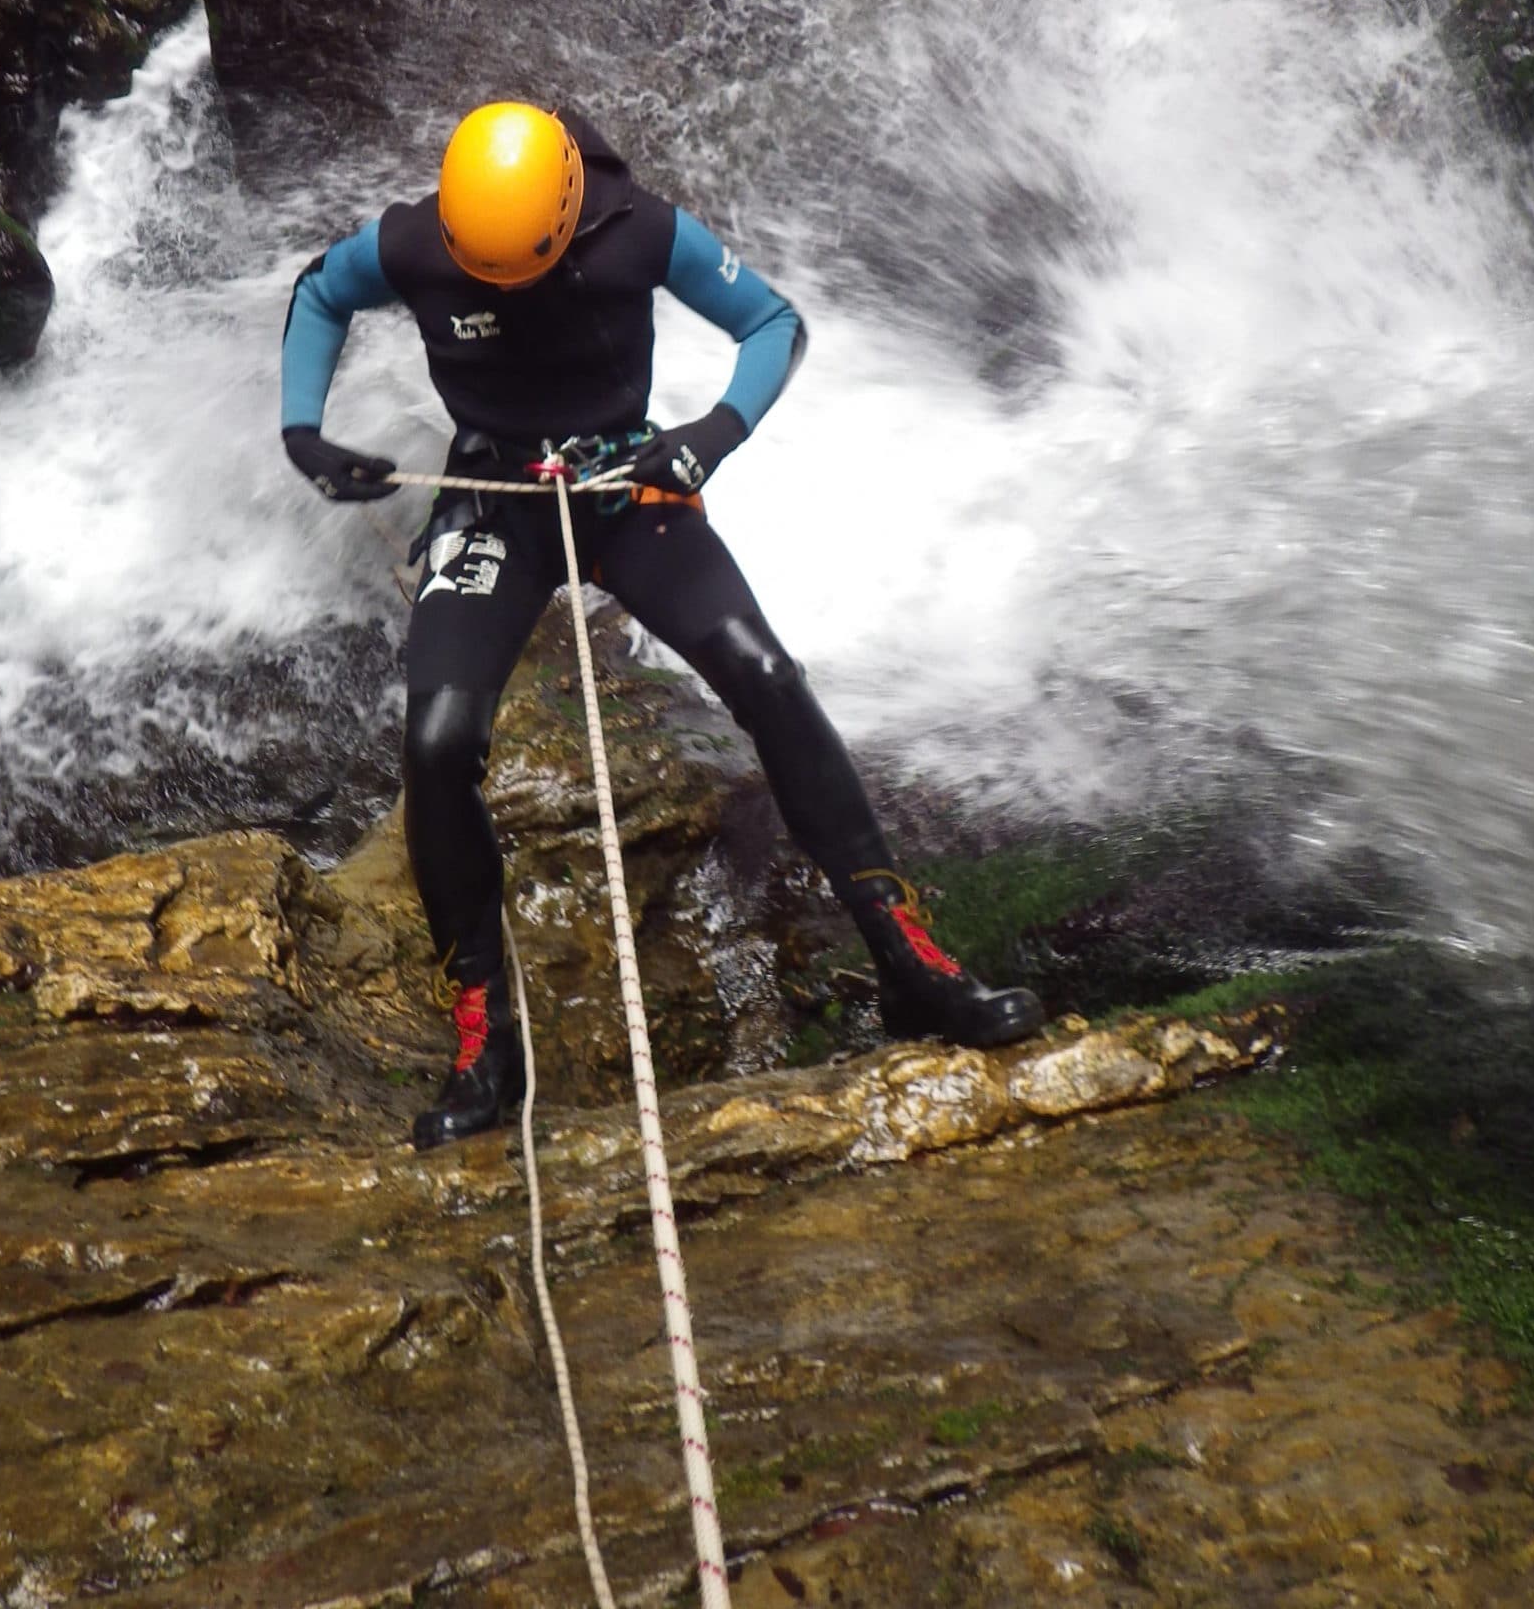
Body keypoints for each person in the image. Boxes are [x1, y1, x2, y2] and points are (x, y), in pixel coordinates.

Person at [282, 101, 1044, 1149]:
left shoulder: (637, 229)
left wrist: (711, 435)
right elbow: (321, 291)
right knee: (439, 742)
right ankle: (485, 1037)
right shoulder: (416, 242)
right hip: (496, 502)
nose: (502, 291)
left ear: (565, 221)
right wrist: (304, 433)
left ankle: (904, 953)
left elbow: (772, 323)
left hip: (627, 490)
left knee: (765, 675)